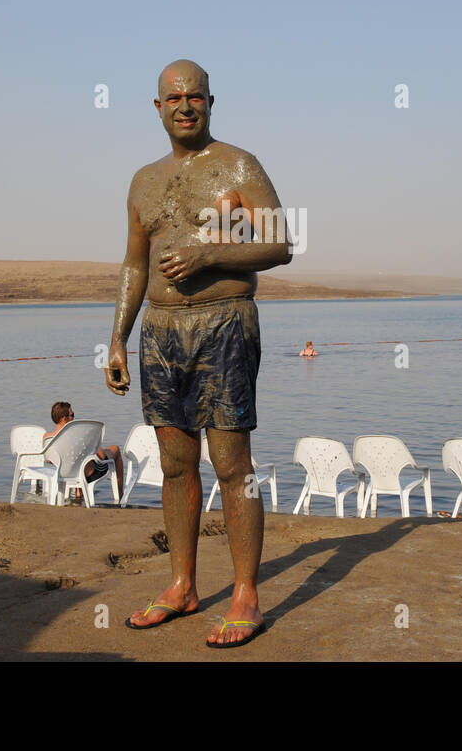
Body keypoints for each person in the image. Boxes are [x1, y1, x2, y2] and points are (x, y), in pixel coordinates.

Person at [105, 60, 292, 648]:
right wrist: (117, 336)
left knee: (233, 464)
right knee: (174, 464)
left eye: (196, 97)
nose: (185, 106)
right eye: (174, 98)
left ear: (211, 103)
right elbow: (136, 262)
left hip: (224, 324)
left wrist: (210, 254)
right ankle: (182, 584)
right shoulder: (141, 180)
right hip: (160, 330)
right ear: (157, 108)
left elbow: (280, 244)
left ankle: (245, 596)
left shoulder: (238, 164)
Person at [43, 402, 123, 500]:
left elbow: (49, 460)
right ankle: (120, 495)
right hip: (89, 475)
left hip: (62, 473)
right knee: (115, 449)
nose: (74, 417)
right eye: (72, 415)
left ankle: (78, 494)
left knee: (76, 457)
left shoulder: (47, 437)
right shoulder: (78, 436)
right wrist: (92, 439)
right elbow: (101, 456)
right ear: (64, 418)